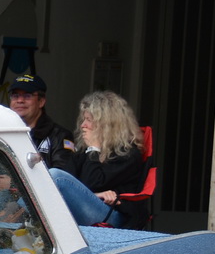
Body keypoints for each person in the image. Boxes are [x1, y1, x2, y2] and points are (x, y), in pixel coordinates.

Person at [51, 90, 150, 228]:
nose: (82, 125)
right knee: (49, 180)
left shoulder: (128, 154)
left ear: (106, 124)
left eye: (89, 120)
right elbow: (70, 181)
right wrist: (95, 195)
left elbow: (92, 182)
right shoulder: (84, 151)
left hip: (115, 215)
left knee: (56, 176)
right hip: (88, 207)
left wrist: (94, 148)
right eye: (83, 119)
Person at [6, 73, 74, 168]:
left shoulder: (60, 136)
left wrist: (10, 182)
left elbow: (60, 178)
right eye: (15, 96)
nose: (20, 100)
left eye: (27, 96)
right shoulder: (2, 131)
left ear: (41, 102)